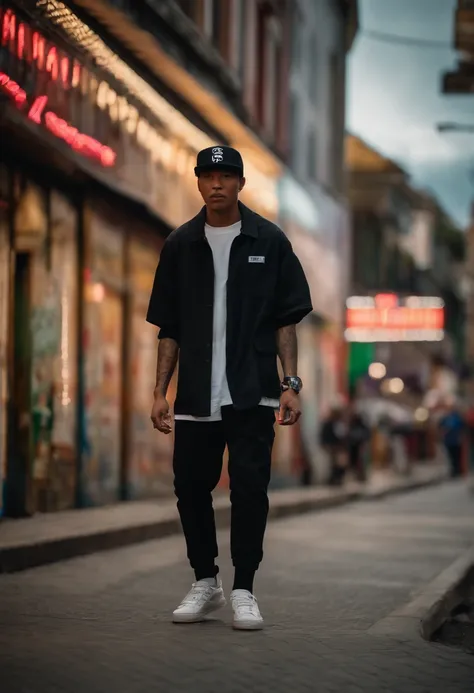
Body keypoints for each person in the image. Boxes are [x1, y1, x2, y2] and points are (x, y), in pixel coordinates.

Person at [147, 145, 312, 630]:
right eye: (207, 175)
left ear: (240, 183)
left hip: (253, 391)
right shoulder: (180, 244)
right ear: (198, 183)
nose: (216, 183)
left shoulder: (270, 240)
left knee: (250, 491)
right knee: (190, 489)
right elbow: (169, 327)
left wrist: (291, 384)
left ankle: (244, 588)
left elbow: (287, 321)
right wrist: (160, 391)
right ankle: (205, 582)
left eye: (226, 175)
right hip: (196, 396)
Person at [319, 404, 348, 486]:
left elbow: (343, 436)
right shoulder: (328, 424)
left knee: (340, 464)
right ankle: (333, 479)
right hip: (332, 447)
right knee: (332, 464)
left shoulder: (339, 424)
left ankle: (338, 479)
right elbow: (324, 435)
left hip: (338, 447)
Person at [439, 400, 465, 478]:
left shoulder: (457, 417)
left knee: (456, 456)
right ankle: (453, 470)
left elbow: (461, 427)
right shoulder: (445, 418)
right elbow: (440, 426)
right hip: (448, 440)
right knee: (451, 456)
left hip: (456, 440)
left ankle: (458, 470)